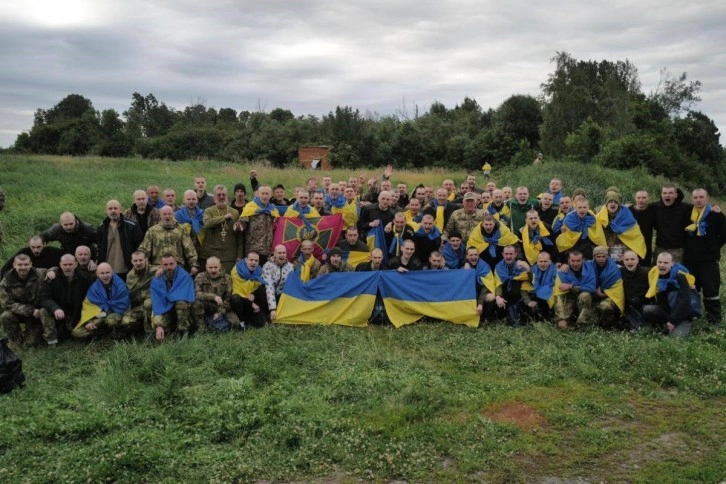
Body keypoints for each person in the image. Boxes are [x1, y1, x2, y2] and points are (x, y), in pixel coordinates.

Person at [683, 188, 726, 326]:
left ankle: (714, 322)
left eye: (701, 197)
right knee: (692, 290)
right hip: (690, 260)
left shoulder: (716, 215)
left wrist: (713, 247)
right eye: (695, 197)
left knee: (711, 291)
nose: (698, 200)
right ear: (692, 199)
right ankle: (692, 318)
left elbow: (724, 235)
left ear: (707, 198)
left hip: (708, 260)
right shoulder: (687, 214)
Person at [38, 254, 93, 346]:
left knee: (80, 335)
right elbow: (43, 297)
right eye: (65, 264)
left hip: (75, 314)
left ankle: (68, 331)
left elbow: (88, 301)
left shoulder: (84, 279)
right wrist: (55, 308)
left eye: (70, 264)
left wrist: (86, 320)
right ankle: (51, 341)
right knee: (43, 311)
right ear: (60, 265)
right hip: (57, 312)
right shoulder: (52, 278)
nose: (67, 267)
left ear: (76, 264)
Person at [643, 252, 698, 338]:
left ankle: (678, 327)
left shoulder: (680, 276)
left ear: (672, 263)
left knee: (675, 338)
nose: (662, 265)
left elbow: (685, 302)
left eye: (665, 263)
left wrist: (672, 321)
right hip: (666, 312)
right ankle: (661, 329)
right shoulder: (654, 274)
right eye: (660, 262)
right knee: (647, 309)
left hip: (682, 315)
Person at [72, 263, 131, 340]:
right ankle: (102, 334)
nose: (105, 275)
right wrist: (88, 322)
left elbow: (124, 305)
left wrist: (105, 313)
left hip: (116, 314)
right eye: (102, 273)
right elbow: (88, 308)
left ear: (112, 272)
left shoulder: (120, 286)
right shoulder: (94, 288)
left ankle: (115, 334)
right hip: (99, 316)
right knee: (76, 332)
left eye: (108, 272)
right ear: (97, 274)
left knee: (111, 320)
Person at [0, 254, 45, 348]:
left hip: (36, 315)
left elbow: (58, 270)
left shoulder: (40, 273)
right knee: (5, 316)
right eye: (20, 265)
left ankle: (29, 335)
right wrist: (30, 310)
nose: (23, 267)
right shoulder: (6, 281)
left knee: (31, 343)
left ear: (30, 264)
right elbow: (7, 304)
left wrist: (53, 270)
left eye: (26, 264)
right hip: (20, 312)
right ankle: (15, 339)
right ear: (14, 265)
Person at [139, 205, 199, 274]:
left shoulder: (181, 230)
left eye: (169, 214)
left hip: (177, 268)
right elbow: (144, 249)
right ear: (160, 216)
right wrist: (142, 264)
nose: (167, 216)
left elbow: (189, 249)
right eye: (164, 214)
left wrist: (194, 265)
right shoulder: (152, 231)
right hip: (158, 268)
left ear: (173, 215)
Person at [150, 253, 196, 341]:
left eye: (171, 264)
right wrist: (159, 325)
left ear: (176, 263)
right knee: (149, 304)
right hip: (165, 308)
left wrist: (170, 297)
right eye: (165, 265)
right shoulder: (157, 279)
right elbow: (157, 301)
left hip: (182, 311)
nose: (169, 267)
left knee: (181, 302)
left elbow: (186, 296)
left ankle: (183, 331)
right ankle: (155, 332)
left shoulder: (184, 276)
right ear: (161, 265)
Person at [595, 188, 646, 264]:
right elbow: (594, 235)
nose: (613, 204)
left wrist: (628, 254)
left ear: (619, 204)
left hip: (624, 256)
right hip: (605, 256)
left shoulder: (627, 216)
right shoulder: (599, 217)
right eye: (610, 202)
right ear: (606, 204)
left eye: (615, 202)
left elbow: (635, 237)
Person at [201, 185, 244, 274]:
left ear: (227, 196)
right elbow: (207, 223)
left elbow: (239, 237)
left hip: (230, 256)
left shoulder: (234, 212)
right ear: (214, 198)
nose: (221, 197)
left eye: (223, 195)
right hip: (213, 256)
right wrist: (224, 218)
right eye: (218, 195)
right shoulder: (209, 211)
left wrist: (239, 255)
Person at [97, 199, 143, 280]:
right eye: (110, 209)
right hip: (107, 271)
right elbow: (99, 247)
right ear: (106, 211)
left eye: (115, 208)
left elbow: (140, 246)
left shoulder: (132, 225)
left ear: (120, 210)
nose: (113, 211)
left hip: (126, 269)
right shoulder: (102, 226)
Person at [194, 256, 240, 332]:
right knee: (196, 303)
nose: (213, 270)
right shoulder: (200, 277)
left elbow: (227, 300)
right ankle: (201, 329)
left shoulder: (227, 278)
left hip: (222, 306)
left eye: (216, 267)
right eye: (210, 267)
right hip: (206, 306)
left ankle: (213, 323)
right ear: (206, 267)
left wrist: (219, 312)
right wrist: (213, 297)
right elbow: (196, 294)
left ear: (220, 266)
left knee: (235, 324)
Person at [236, 185, 279, 265]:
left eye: (267, 194)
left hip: (268, 250)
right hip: (254, 250)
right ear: (258, 194)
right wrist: (239, 225)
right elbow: (242, 221)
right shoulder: (250, 207)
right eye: (263, 193)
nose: (265, 196)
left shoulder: (273, 210)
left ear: (271, 195)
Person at [554, 250, 596, 329]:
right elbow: (561, 289)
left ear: (583, 260)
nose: (575, 264)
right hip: (569, 298)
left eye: (578, 261)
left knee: (585, 295)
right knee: (563, 325)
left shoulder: (589, 268)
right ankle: (562, 319)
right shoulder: (562, 271)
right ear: (568, 260)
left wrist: (571, 286)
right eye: (573, 261)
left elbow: (592, 288)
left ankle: (582, 324)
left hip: (584, 300)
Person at [650, 184, 692, 263]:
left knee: (677, 274)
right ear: (661, 195)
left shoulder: (686, 208)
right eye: (665, 193)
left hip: (677, 251)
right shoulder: (655, 207)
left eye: (670, 193)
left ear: (676, 195)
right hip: (660, 249)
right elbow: (640, 208)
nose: (667, 195)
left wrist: (714, 207)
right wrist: (628, 207)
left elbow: (701, 209)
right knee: (657, 274)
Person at [492, 246, 531, 326]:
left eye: (511, 254)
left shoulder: (521, 265)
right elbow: (498, 284)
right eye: (506, 254)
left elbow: (531, 280)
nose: (508, 256)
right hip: (505, 295)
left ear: (516, 254)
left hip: (519, 295)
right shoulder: (498, 267)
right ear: (503, 254)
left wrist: (528, 269)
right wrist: (498, 297)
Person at [230, 252, 271, 327]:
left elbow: (258, 288)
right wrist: (251, 303)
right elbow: (238, 290)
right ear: (246, 260)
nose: (253, 263)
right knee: (235, 299)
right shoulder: (236, 270)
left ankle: (261, 315)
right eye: (251, 260)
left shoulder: (259, 271)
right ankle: (241, 320)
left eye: (256, 261)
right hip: (240, 299)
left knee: (261, 323)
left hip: (252, 299)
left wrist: (254, 295)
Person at [591, 246, 625, 328]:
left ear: (607, 256)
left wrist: (605, 293)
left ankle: (607, 324)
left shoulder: (615, 269)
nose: (601, 259)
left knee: (604, 306)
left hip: (610, 295)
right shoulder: (588, 266)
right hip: (592, 292)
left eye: (603, 256)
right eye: (598, 257)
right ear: (594, 257)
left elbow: (618, 287)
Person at [121, 250, 153, 335]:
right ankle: (140, 331)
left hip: (155, 306)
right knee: (126, 321)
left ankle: (150, 334)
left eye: (141, 260)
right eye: (135, 261)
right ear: (132, 262)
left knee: (148, 303)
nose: (138, 263)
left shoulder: (155, 270)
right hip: (139, 307)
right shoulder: (130, 276)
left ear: (146, 260)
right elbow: (130, 294)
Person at [262, 245, 295, 320]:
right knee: (261, 290)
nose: (282, 255)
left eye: (284, 253)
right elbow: (269, 287)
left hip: (281, 295)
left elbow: (291, 286)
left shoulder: (290, 267)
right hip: (268, 295)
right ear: (274, 253)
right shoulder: (267, 266)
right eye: (279, 253)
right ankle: (267, 313)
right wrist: (272, 309)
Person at [463, 247, 496, 323]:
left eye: (475, 255)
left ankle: (486, 318)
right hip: (469, 295)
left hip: (482, 293)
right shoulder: (464, 267)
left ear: (478, 255)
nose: (474, 257)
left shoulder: (485, 266)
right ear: (467, 256)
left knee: (490, 297)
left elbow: (486, 287)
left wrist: (480, 304)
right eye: (471, 255)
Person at [620, 250, 650, 331]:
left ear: (637, 260)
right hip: (627, 308)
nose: (630, 262)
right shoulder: (620, 272)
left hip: (643, 307)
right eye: (627, 259)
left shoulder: (647, 272)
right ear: (623, 261)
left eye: (632, 259)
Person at [524, 251, 557, 323]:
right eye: (540, 261)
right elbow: (526, 286)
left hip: (549, 298)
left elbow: (554, 285)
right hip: (534, 296)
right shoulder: (532, 269)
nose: (543, 264)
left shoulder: (556, 269)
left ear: (550, 261)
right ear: (537, 262)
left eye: (545, 261)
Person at [627, 190, 655, 266]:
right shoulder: (628, 211)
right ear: (635, 198)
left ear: (648, 198)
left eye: (644, 198)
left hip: (646, 247)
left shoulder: (652, 210)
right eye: (638, 198)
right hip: (631, 247)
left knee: (644, 271)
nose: (641, 200)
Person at [176, 189, 205, 257]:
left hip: (200, 249)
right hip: (183, 249)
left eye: (193, 199)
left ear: (197, 200)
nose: (191, 201)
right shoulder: (177, 215)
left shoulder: (202, 214)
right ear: (184, 200)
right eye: (188, 199)